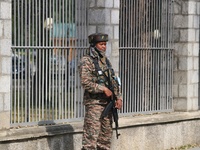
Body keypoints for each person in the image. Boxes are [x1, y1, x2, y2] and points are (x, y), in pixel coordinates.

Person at [78, 33, 123, 150]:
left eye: (105, 44)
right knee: (90, 140)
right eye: (101, 44)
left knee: (105, 140)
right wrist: (102, 89)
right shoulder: (86, 61)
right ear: (94, 45)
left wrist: (118, 97)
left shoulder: (105, 61)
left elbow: (113, 81)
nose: (104, 47)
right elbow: (85, 82)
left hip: (108, 104)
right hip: (94, 104)